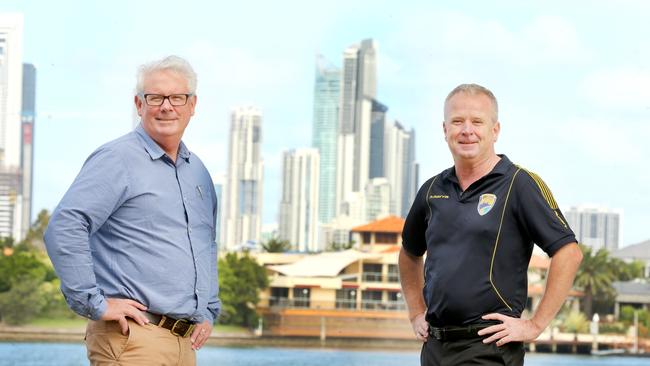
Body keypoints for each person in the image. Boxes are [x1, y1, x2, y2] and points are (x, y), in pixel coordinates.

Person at [44, 55, 219, 366]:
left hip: (184, 345)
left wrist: (208, 310)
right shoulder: (117, 158)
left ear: (192, 105)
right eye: (155, 97)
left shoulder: (198, 173)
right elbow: (65, 225)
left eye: (178, 97)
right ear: (139, 105)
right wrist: (93, 302)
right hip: (133, 340)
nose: (167, 106)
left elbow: (205, 245)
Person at [399, 83, 583, 366]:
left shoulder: (519, 184)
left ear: (495, 130)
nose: (467, 130)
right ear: (444, 129)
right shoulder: (432, 189)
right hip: (435, 347)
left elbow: (568, 253)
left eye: (477, 121)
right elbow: (409, 253)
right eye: (457, 121)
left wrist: (534, 325)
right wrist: (415, 311)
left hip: (489, 348)